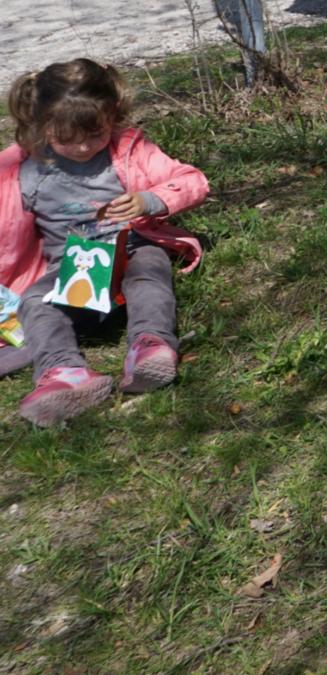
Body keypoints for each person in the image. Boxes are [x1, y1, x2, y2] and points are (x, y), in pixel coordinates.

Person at [2, 60, 207, 426]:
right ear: (40, 126)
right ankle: (64, 373)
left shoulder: (129, 149)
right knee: (36, 301)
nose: (83, 146)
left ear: (111, 115)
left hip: (129, 249)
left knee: (150, 271)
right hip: (68, 268)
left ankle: (149, 345)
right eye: (67, 138)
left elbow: (191, 180)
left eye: (94, 134)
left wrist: (150, 200)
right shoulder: (21, 168)